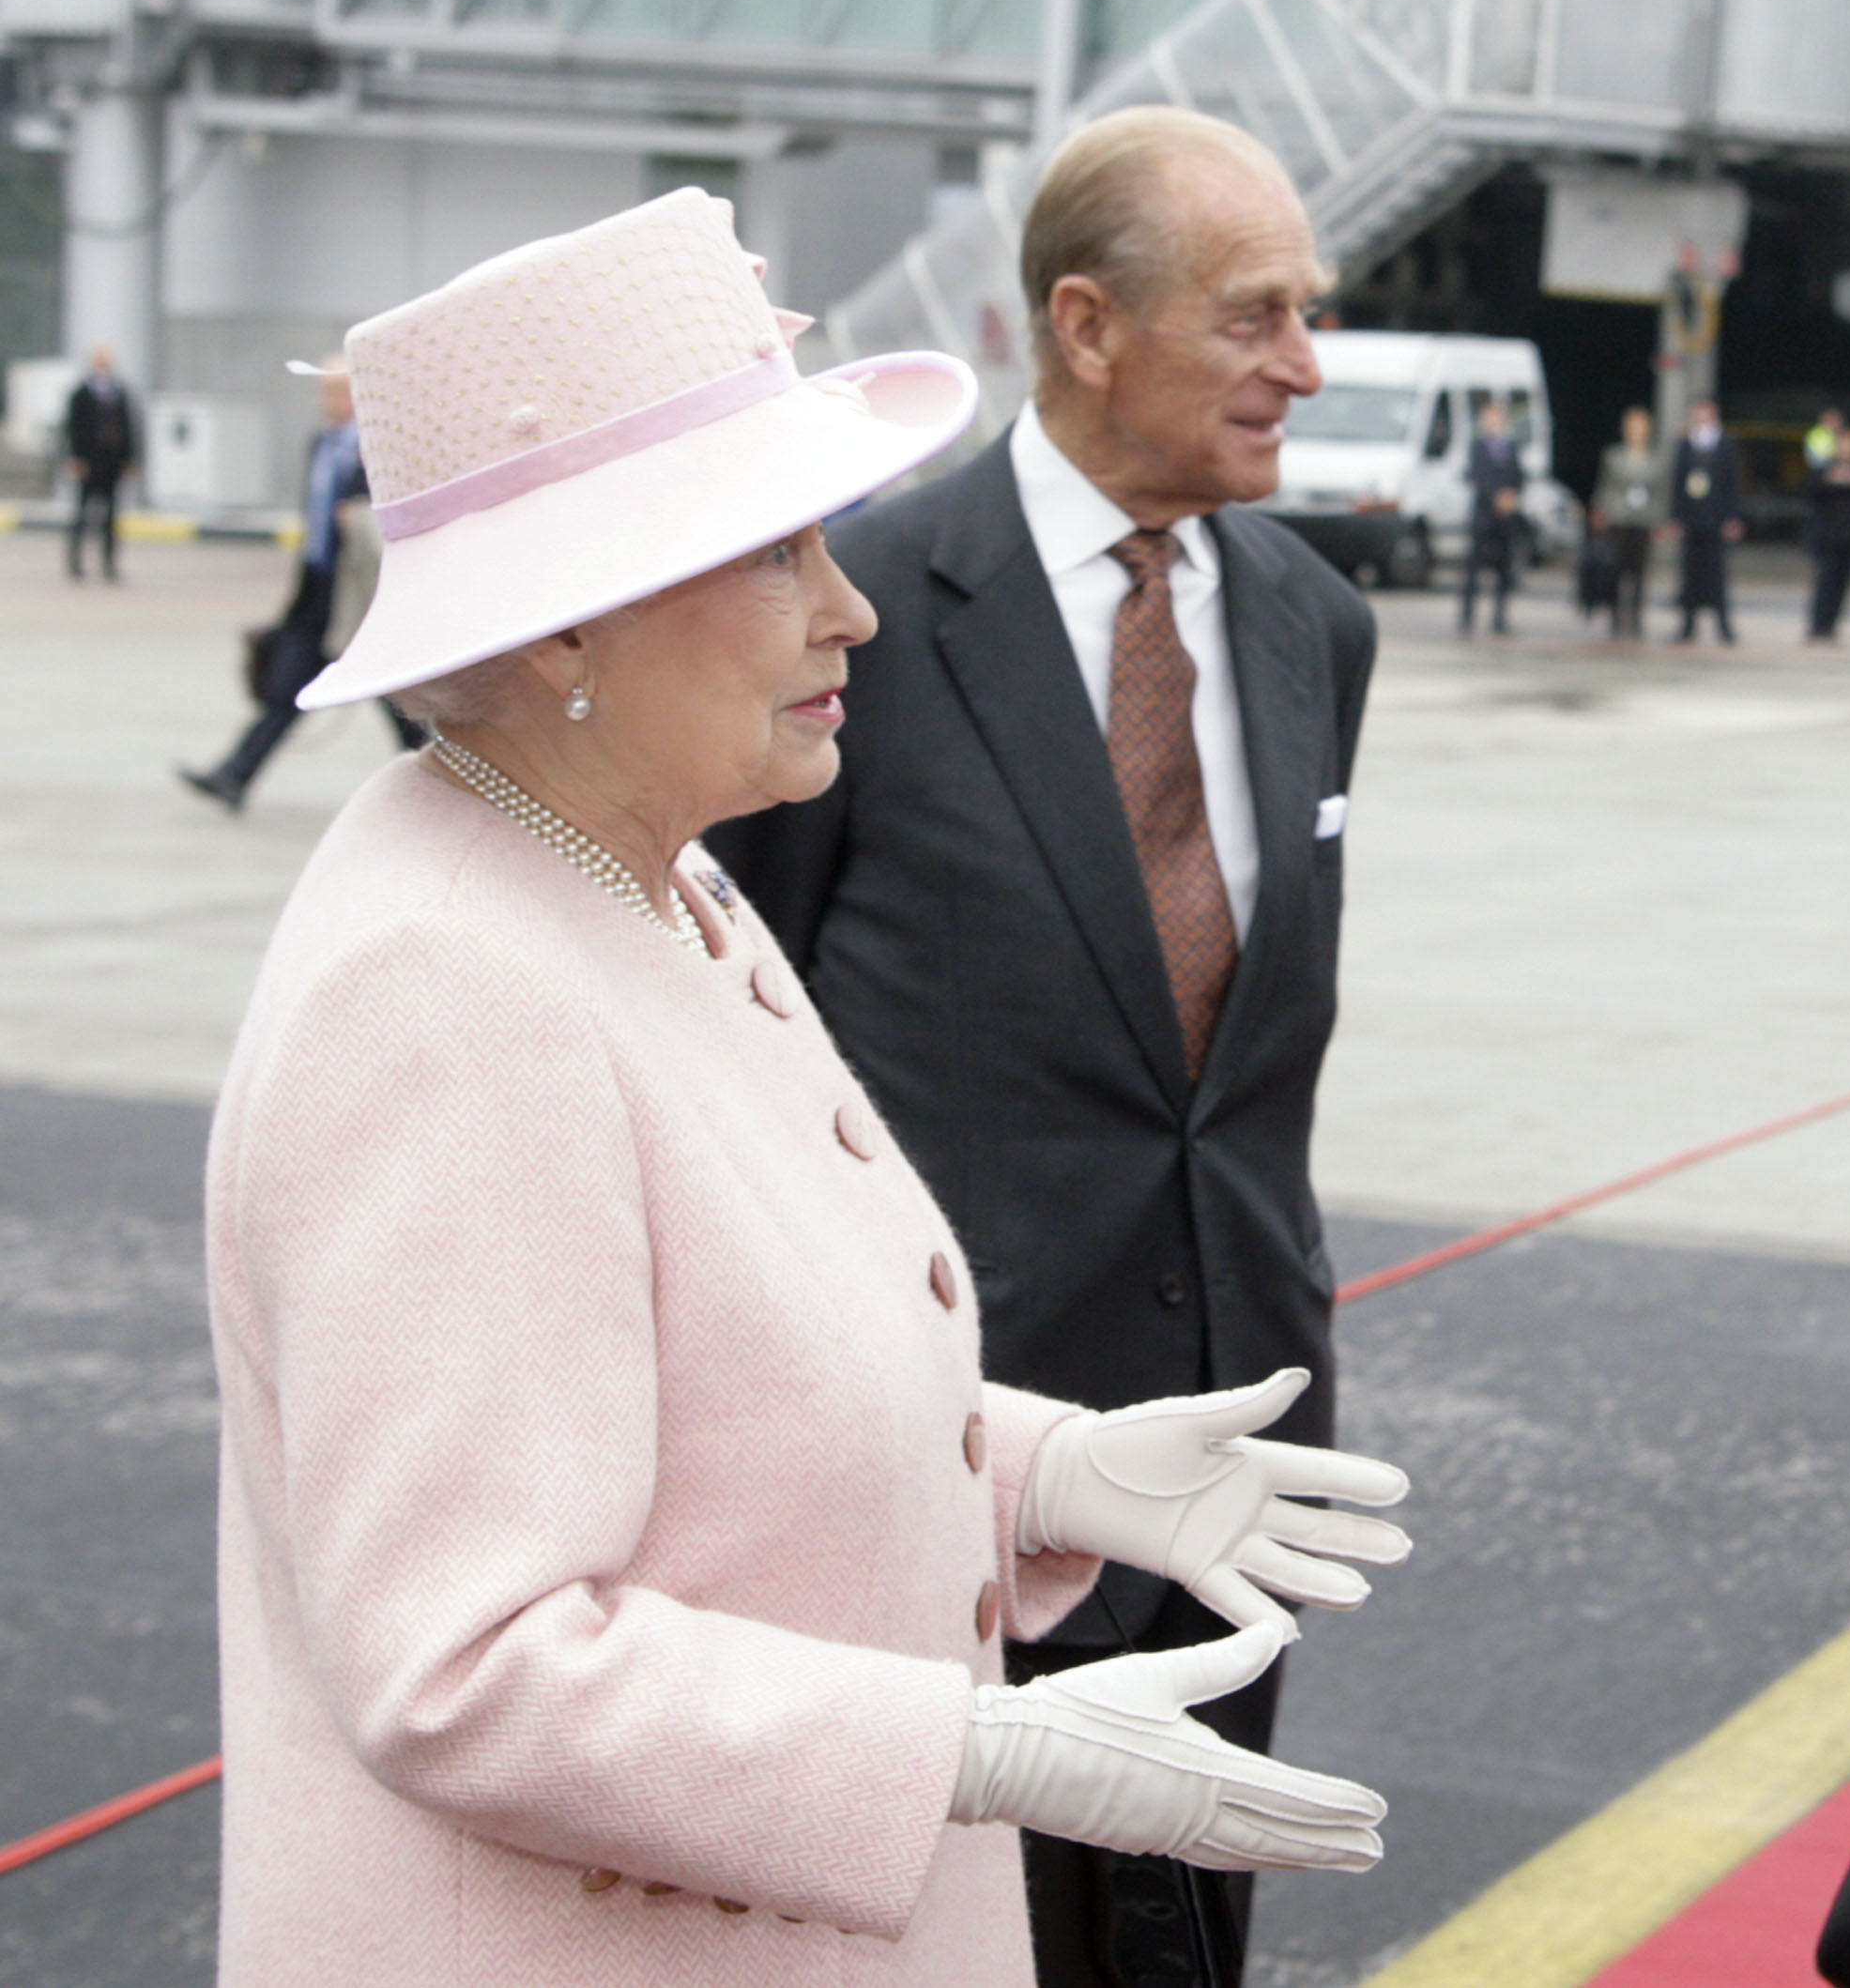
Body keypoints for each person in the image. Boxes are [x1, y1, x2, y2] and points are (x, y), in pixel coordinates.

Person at [207, 187, 1408, 1988]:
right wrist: (970, 1746)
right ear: (567, 630)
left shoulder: (637, 869)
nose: (850, 608)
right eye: (778, 553)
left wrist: (1045, 1470)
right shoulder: (444, 987)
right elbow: (466, 1665)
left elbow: (735, 1407)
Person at [701, 109, 1383, 1986]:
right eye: (1253, 314)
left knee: (1186, 1931)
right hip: (944, 1443)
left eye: (1307, 311)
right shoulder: (860, 602)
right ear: (1086, 326)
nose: (1303, 363)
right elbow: (736, 1006)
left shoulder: (1316, 623)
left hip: (1232, 1435)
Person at [179, 355, 425, 813]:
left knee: (394, 700)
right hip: (318, 591)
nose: (326, 400)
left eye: (336, 391)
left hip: (361, 597)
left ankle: (440, 779)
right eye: (323, 391)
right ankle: (234, 775)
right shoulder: (321, 444)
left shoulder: (381, 450)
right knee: (287, 689)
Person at [1666, 396, 1742, 642]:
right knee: (1689, 575)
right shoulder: (1686, 443)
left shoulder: (1726, 444)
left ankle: (1723, 625)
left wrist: (1732, 517)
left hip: (1716, 519)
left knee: (1717, 575)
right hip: (1691, 519)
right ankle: (1688, 624)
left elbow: (1732, 484)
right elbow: (1677, 483)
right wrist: (1675, 517)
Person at [63, 344, 140, 583]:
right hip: (88, 462)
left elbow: (129, 427)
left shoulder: (119, 393)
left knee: (111, 517)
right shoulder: (80, 394)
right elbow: (72, 428)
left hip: (112, 462)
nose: (103, 368)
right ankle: (75, 562)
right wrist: (76, 457)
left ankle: (109, 563)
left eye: (106, 363)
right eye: (99, 363)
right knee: (82, 514)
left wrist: (129, 459)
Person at [1592, 404, 1661, 638]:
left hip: (1642, 521)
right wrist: (1601, 512)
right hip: (1619, 518)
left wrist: (1659, 521)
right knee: (1615, 570)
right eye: (1633, 428)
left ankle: (1636, 616)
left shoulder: (1655, 459)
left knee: (1639, 573)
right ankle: (1614, 615)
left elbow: (1659, 492)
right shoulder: (1614, 455)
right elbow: (1605, 486)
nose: (1637, 433)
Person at [1458, 396, 1526, 635]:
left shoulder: (1511, 448)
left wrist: (1512, 496)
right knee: (1473, 569)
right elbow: (1477, 476)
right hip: (1484, 515)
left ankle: (1500, 618)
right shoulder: (1477, 447)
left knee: (1504, 570)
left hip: (1505, 518)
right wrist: (1496, 496)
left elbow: (1519, 476)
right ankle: (1467, 616)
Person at [1803, 421, 1850, 641]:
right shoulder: (1825, 468)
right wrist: (1828, 480)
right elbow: (1809, 492)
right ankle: (1818, 624)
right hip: (1827, 537)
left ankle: (1832, 625)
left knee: (1843, 584)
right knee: (1825, 582)